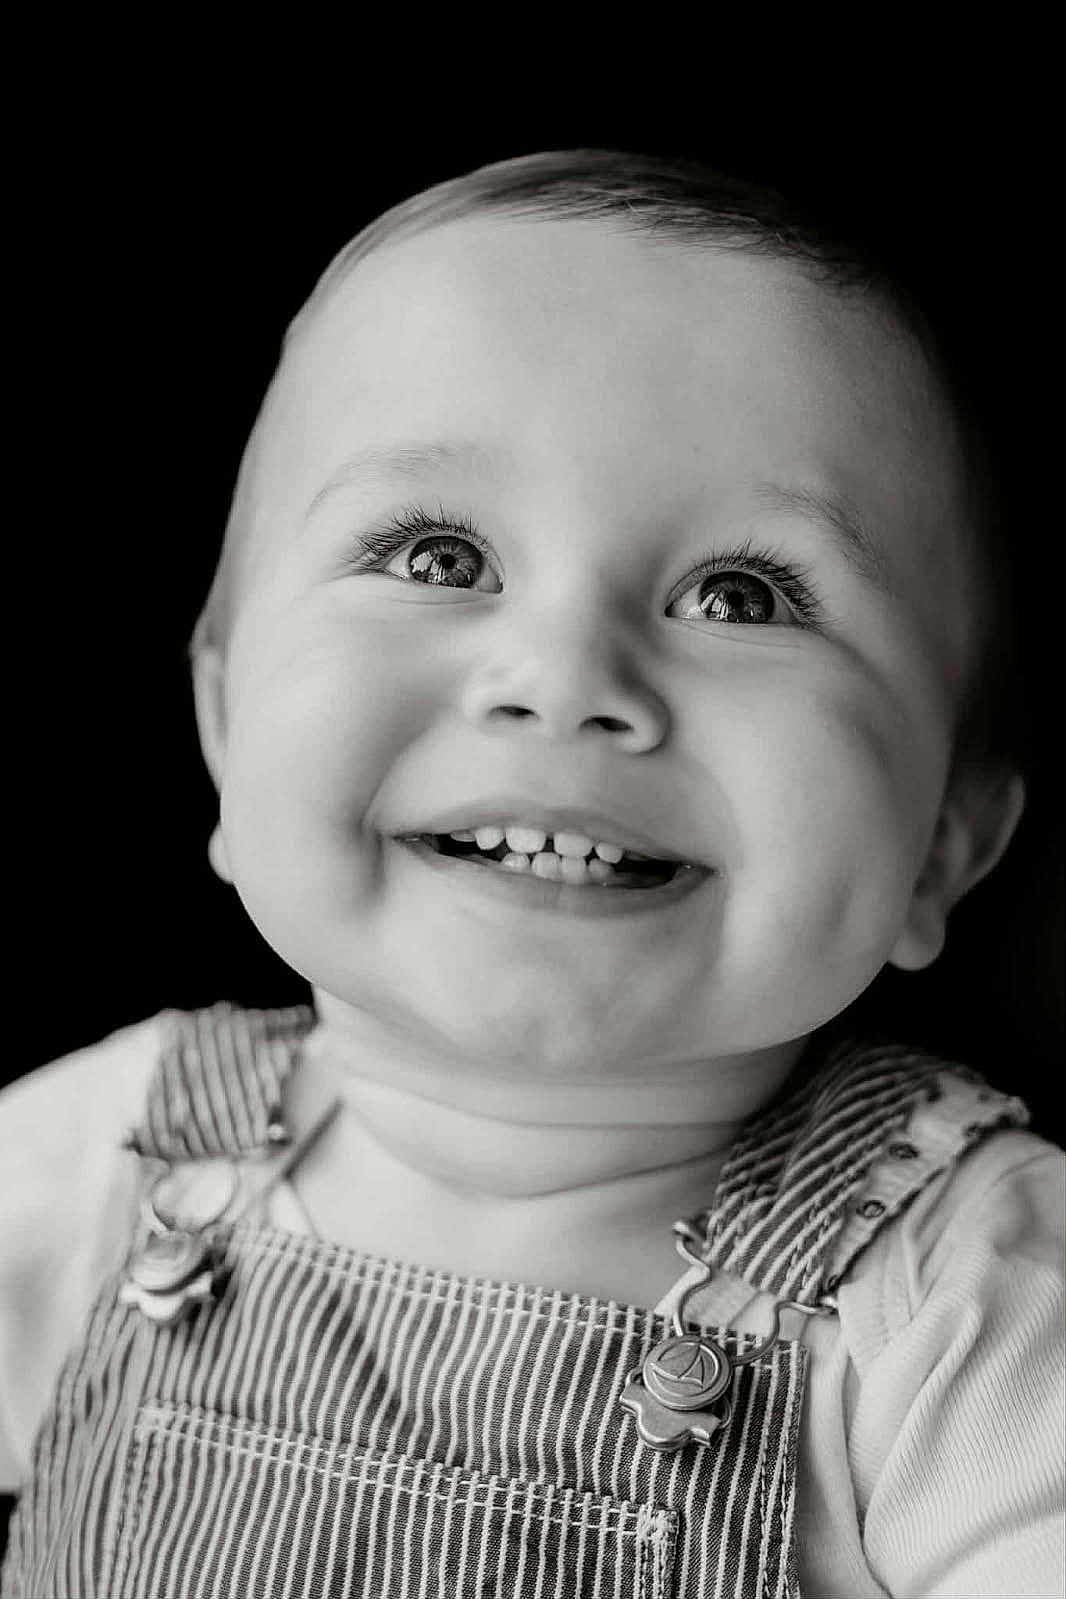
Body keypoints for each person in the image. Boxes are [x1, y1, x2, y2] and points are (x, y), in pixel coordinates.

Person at [1, 148, 1062, 1598]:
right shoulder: (101, 1164)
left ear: (942, 837)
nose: (564, 679)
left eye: (742, 595)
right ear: (225, 721)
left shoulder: (974, 1303)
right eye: (437, 556)